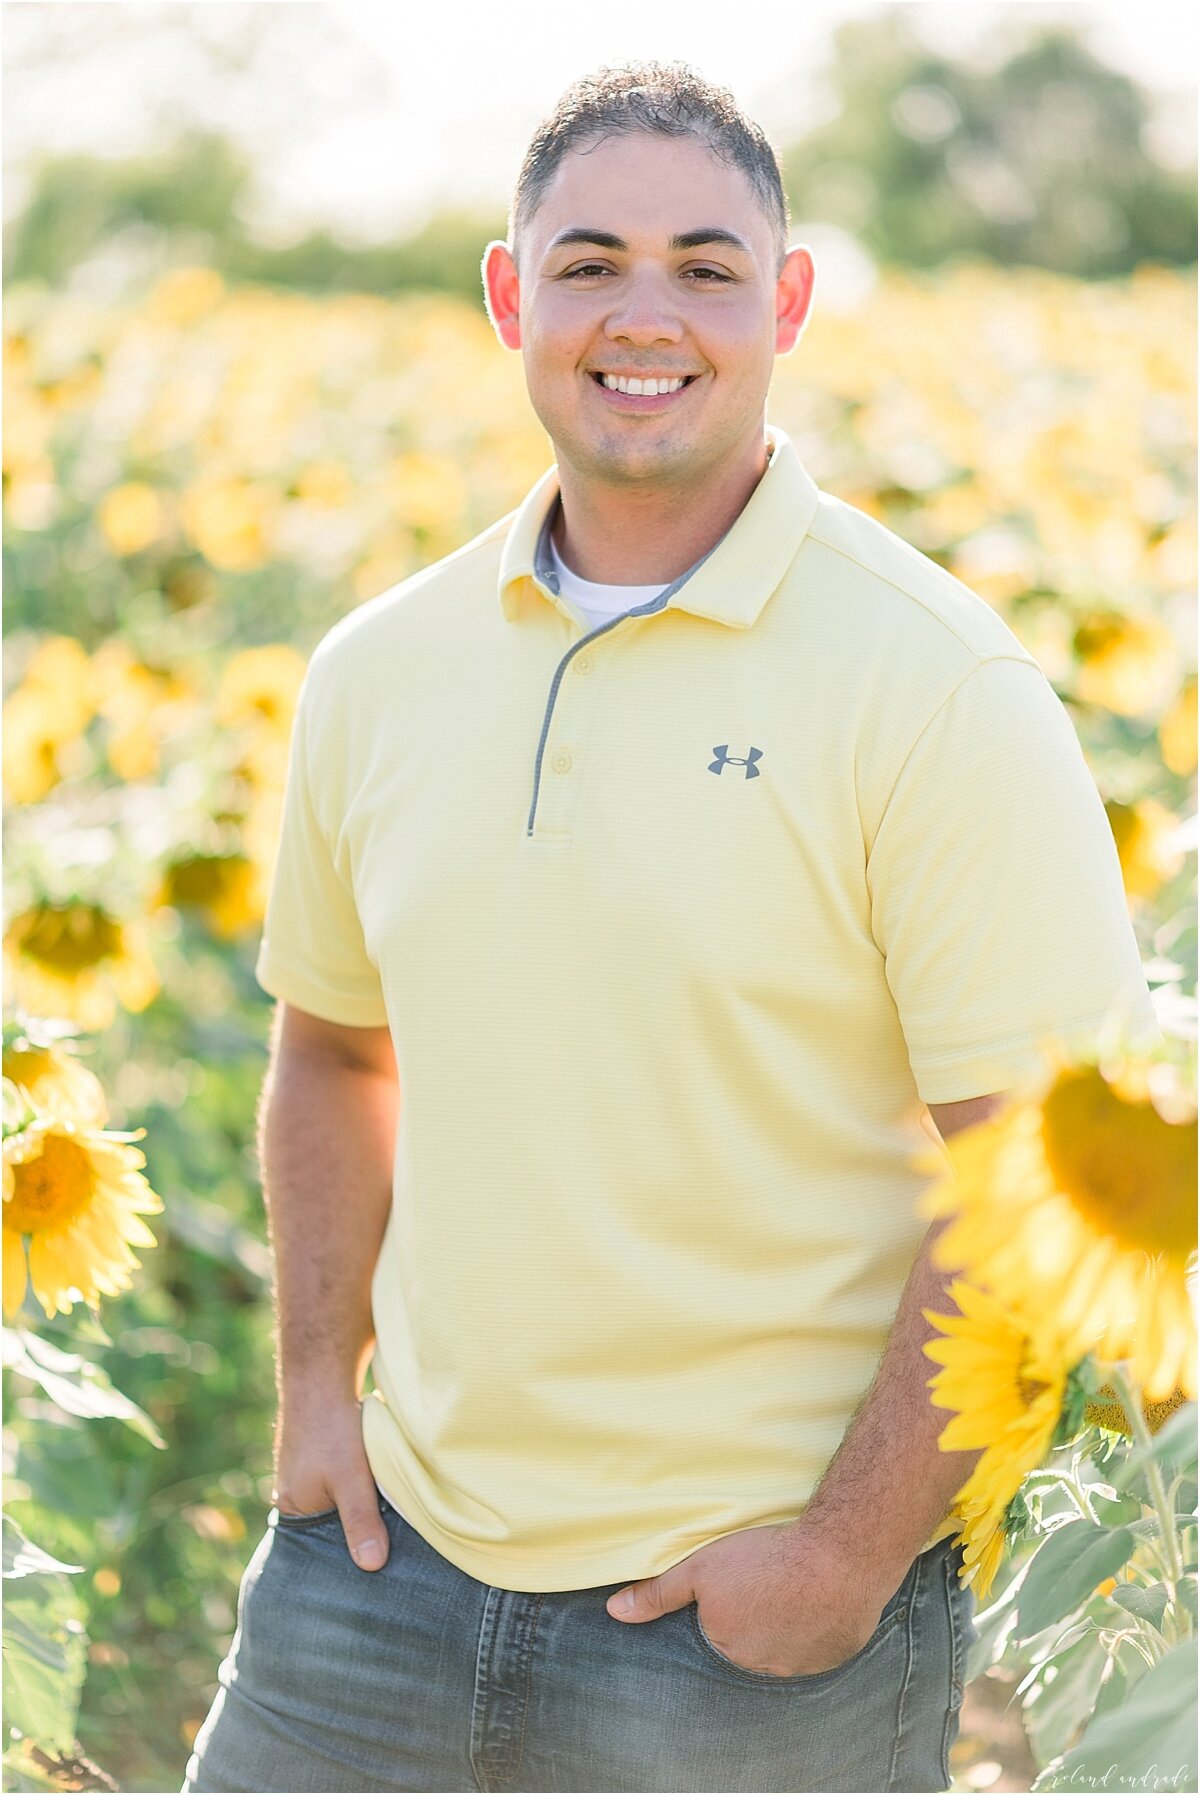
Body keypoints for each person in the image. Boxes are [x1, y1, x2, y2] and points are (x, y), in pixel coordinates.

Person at [183, 61, 1160, 1795]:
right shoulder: (378, 673)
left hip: (737, 1624)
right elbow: (333, 1051)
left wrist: (843, 1562)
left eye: (708, 267)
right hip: (381, 1568)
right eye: (591, 263)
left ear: (786, 301)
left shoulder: (938, 689)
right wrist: (316, 1402)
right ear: (510, 296)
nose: (649, 316)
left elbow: (1025, 1165)